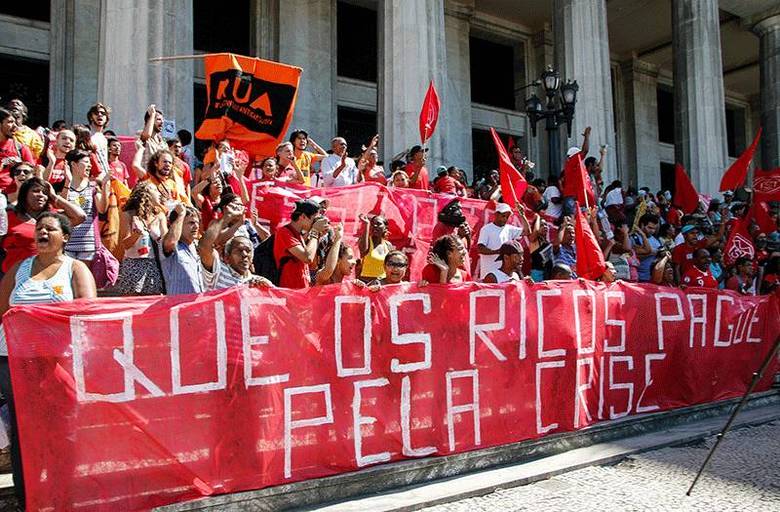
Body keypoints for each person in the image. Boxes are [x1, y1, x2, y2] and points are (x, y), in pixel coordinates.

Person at [0, 212, 96, 509]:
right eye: (39, 228)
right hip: (15, 361)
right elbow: (3, 311)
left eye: (50, 228)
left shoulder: (75, 268)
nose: (42, 232)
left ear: (65, 237)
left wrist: (44, 321)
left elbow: (88, 311)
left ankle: (62, 493)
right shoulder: (18, 269)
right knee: (24, 428)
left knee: (61, 428)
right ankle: (29, 497)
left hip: (57, 361)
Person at [2, 177, 86, 273]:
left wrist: (54, 196)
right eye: (36, 191)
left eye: (45, 193)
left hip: (48, 275)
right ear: (24, 194)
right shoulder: (9, 217)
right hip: (14, 276)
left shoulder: (54, 217)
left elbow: (80, 216)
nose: (41, 195)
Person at [198, 201, 272, 290]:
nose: (244, 255)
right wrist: (227, 217)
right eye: (239, 250)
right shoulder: (218, 271)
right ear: (226, 257)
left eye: (248, 251)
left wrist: (267, 289)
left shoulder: (259, 282)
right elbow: (204, 246)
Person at [111, 182, 168, 295]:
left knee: (152, 306)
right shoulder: (128, 214)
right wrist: (136, 234)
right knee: (132, 304)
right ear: (145, 194)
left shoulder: (160, 216)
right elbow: (125, 244)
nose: (159, 193)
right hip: (134, 264)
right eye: (155, 190)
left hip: (154, 264)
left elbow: (166, 242)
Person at [62, 150, 110, 264]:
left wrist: (104, 187)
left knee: (82, 278)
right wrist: (67, 182)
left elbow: (102, 209)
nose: (90, 166)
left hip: (87, 244)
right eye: (86, 162)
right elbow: (60, 206)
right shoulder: (63, 185)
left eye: (90, 163)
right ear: (73, 164)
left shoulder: (93, 187)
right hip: (66, 243)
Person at [273, 199, 329, 289]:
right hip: (289, 292)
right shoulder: (284, 232)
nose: (315, 223)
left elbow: (312, 264)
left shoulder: (299, 235)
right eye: (314, 219)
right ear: (303, 216)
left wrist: (317, 235)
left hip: (301, 291)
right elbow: (307, 257)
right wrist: (315, 231)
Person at [160, 204, 204, 295]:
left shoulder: (196, 247)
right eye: (191, 223)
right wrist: (181, 214)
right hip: (177, 306)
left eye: (197, 222)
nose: (196, 226)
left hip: (196, 305)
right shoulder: (173, 246)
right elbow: (171, 242)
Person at [477, 202, 528, 280]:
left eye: (507, 217)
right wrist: (497, 251)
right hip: (489, 275)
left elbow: (527, 232)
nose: (505, 219)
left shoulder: (510, 229)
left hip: (505, 275)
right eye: (503, 216)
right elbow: (480, 248)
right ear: (496, 214)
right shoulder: (486, 229)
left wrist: (522, 215)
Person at [0, 108, 35, 194]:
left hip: (17, 195)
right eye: (10, 122)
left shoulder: (21, 148)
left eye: (15, 123)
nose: (15, 126)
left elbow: (32, 173)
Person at [358, 214, 394, 283]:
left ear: (385, 228)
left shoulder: (388, 245)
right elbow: (363, 251)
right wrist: (366, 224)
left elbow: (391, 266)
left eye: (378, 224)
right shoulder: (366, 241)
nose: (374, 226)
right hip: (365, 284)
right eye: (372, 224)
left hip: (382, 285)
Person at [631, 213, 662, 283]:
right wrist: (651, 253)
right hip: (636, 277)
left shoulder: (656, 241)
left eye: (654, 228)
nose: (652, 231)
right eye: (650, 228)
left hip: (651, 277)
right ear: (642, 225)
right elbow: (633, 258)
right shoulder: (634, 238)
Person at [87, 102, 111, 175]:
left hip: (104, 176)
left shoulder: (103, 138)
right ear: (91, 117)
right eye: (96, 113)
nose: (100, 115)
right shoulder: (86, 134)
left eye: (103, 113)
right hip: (91, 176)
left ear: (106, 118)